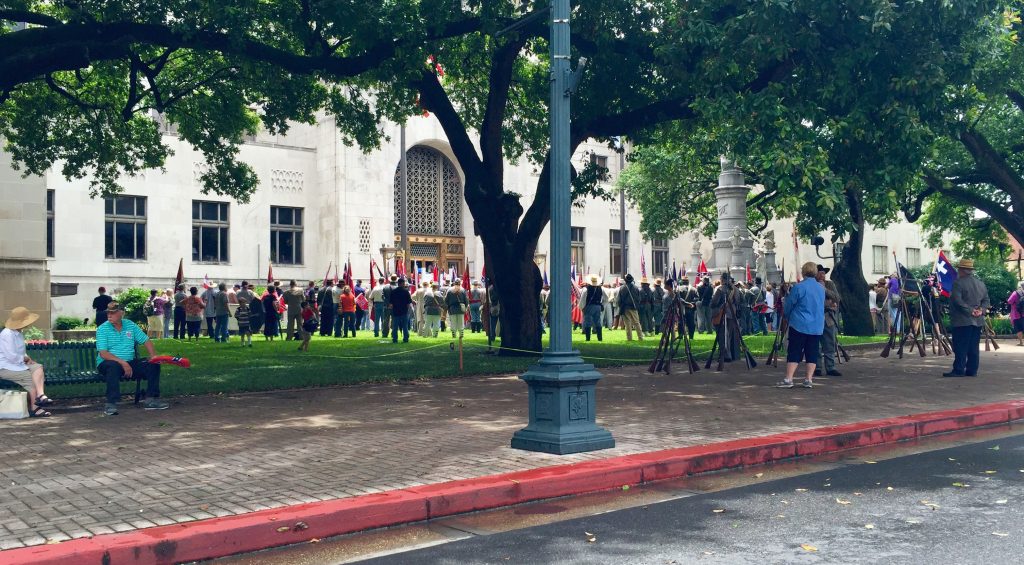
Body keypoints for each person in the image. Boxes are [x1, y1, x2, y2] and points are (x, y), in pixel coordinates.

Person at [95, 302, 169, 415]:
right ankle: (111, 404)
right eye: (108, 313)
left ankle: (151, 399)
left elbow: (146, 340)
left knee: (153, 364)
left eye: (113, 313)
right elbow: (103, 353)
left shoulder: (130, 325)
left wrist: (154, 356)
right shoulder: (102, 329)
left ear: (121, 313)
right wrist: (123, 363)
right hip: (108, 362)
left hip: (129, 363)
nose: (109, 315)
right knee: (112, 366)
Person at [777, 262, 826, 389]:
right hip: (816, 325)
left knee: (794, 351)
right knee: (812, 352)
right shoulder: (821, 288)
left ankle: (789, 379)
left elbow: (789, 305)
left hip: (799, 324)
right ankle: (808, 379)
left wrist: (787, 315)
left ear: (803, 272)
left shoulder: (799, 287)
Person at [0, 307, 53, 417]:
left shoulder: (18, 332)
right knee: (31, 378)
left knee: (38, 367)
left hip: (17, 364)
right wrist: (25, 359)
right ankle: (35, 408)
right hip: (6, 367)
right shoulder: (7, 334)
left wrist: (29, 359)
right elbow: (11, 356)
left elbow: (20, 352)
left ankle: (41, 395)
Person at [944, 259, 990, 377]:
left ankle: (959, 369)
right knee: (973, 346)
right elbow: (986, 300)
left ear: (961, 270)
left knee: (960, 346)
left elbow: (957, 301)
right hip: (978, 320)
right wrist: (981, 310)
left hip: (962, 320)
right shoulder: (981, 284)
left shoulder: (958, 283)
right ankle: (972, 370)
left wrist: (970, 311)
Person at [816, 264, 842, 377]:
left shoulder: (829, 284)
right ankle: (817, 367)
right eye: (820, 273)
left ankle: (830, 367)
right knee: (815, 345)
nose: (823, 275)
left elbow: (836, 298)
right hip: (815, 317)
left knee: (829, 343)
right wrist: (828, 304)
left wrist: (825, 290)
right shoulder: (812, 285)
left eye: (823, 273)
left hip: (828, 317)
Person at [710, 273, 741, 362]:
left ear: (722, 279)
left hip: (722, 314)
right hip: (732, 314)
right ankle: (731, 355)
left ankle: (725, 356)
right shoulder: (736, 289)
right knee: (729, 336)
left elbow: (713, 303)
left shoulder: (719, 289)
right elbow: (738, 302)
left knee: (722, 336)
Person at [580, 275, 607, 342]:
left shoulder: (586, 289)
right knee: (598, 322)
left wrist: (582, 307)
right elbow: (606, 298)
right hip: (597, 306)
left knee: (588, 322)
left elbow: (583, 299)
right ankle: (599, 338)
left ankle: (588, 338)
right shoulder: (601, 288)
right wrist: (601, 304)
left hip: (589, 306)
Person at [390, 278, 413, 343]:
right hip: (404, 311)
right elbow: (408, 303)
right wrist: (407, 310)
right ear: (402, 283)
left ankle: (395, 339)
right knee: (405, 326)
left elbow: (391, 303)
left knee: (395, 327)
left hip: (396, 311)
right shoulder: (406, 292)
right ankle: (405, 339)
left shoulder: (393, 291)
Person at [1009, 281, 1024, 347]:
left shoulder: (1015, 293)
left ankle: (1021, 342)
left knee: (1019, 328)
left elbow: (1009, 301)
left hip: (1017, 314)